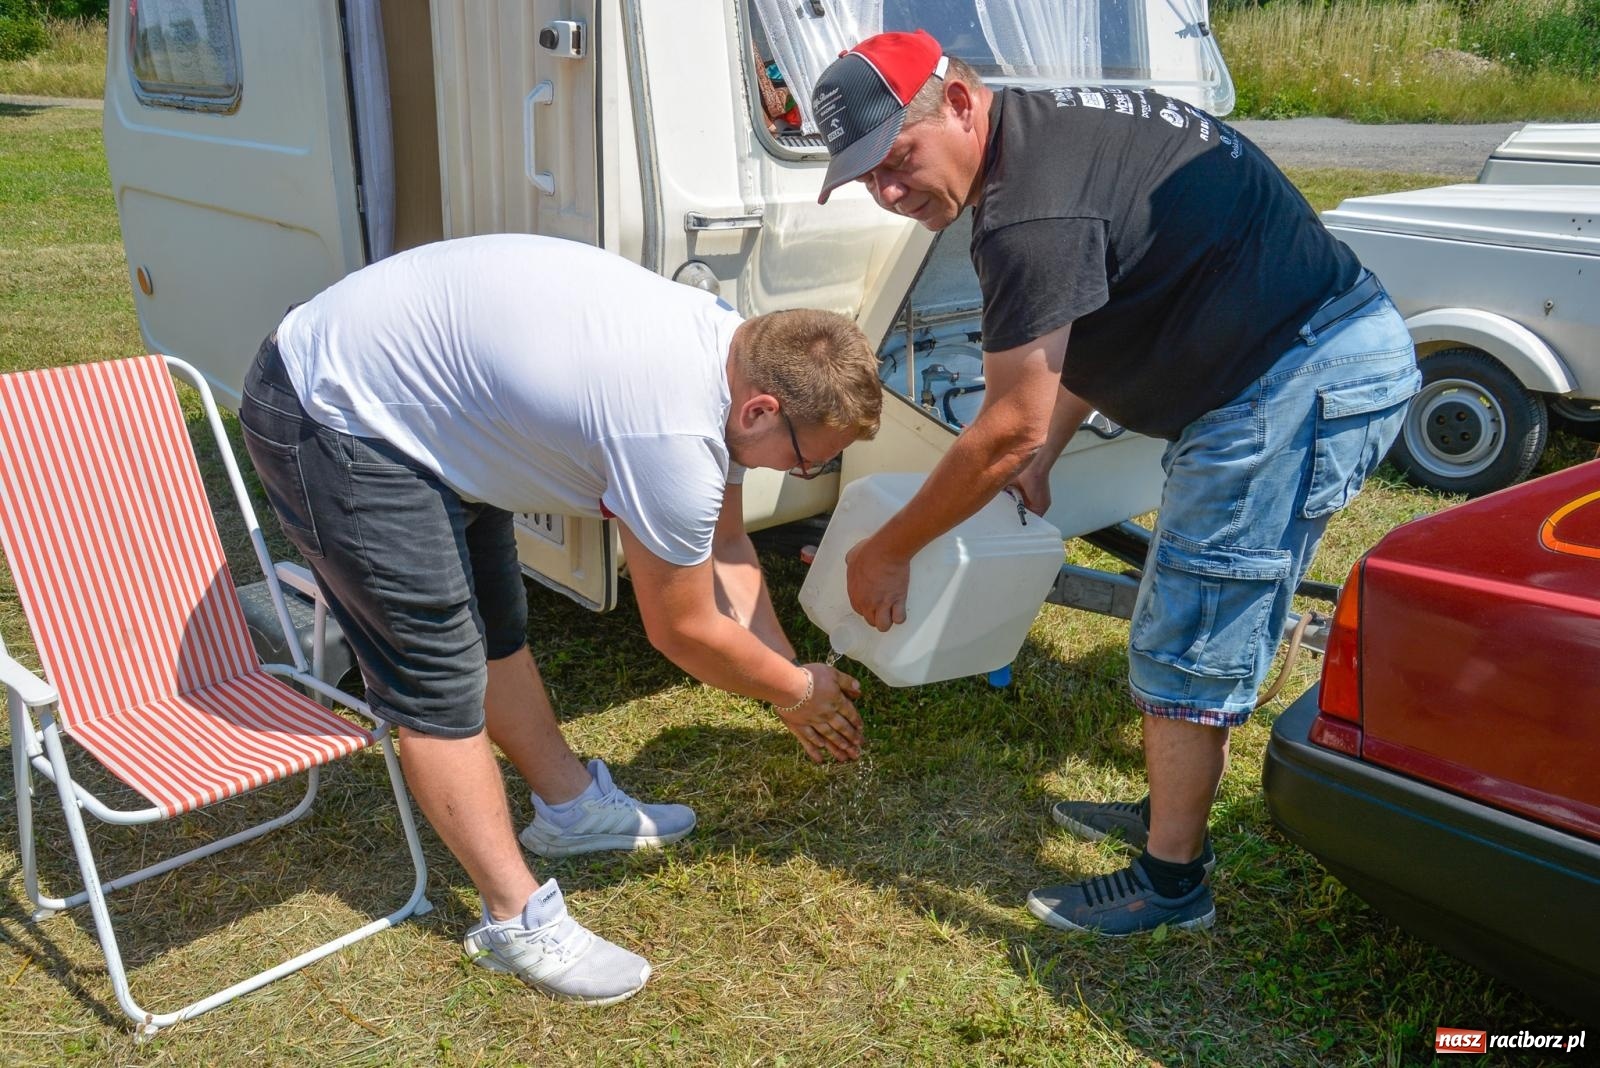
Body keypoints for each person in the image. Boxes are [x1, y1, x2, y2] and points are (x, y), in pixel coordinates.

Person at [812, 31, 1419, 935]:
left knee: (1190, 627)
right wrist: (1050, 451)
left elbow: (1005, 425)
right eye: (866, 178)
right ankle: (1170, 812)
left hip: (1295, 375)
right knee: (1188, 604)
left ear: (962, 104)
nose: (889, 192)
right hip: (1290, 357)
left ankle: (1173, 885)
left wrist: (890, 549)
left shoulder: (1028, 213)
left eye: (897, 159)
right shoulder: (1046, 139)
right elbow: (1105, 311)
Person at [239, 234, 877, 1004]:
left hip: (424, 402)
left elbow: (727, 542)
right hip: (335, 410)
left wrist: (790, 683)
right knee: (437, 680)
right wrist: (794, 690)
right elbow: (681, 629)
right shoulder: (671, 433)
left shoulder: (734, 352)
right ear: (761, 409)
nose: (802, 474)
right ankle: (515, 920)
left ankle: (568, 809)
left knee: (496, 627)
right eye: (807, 460)